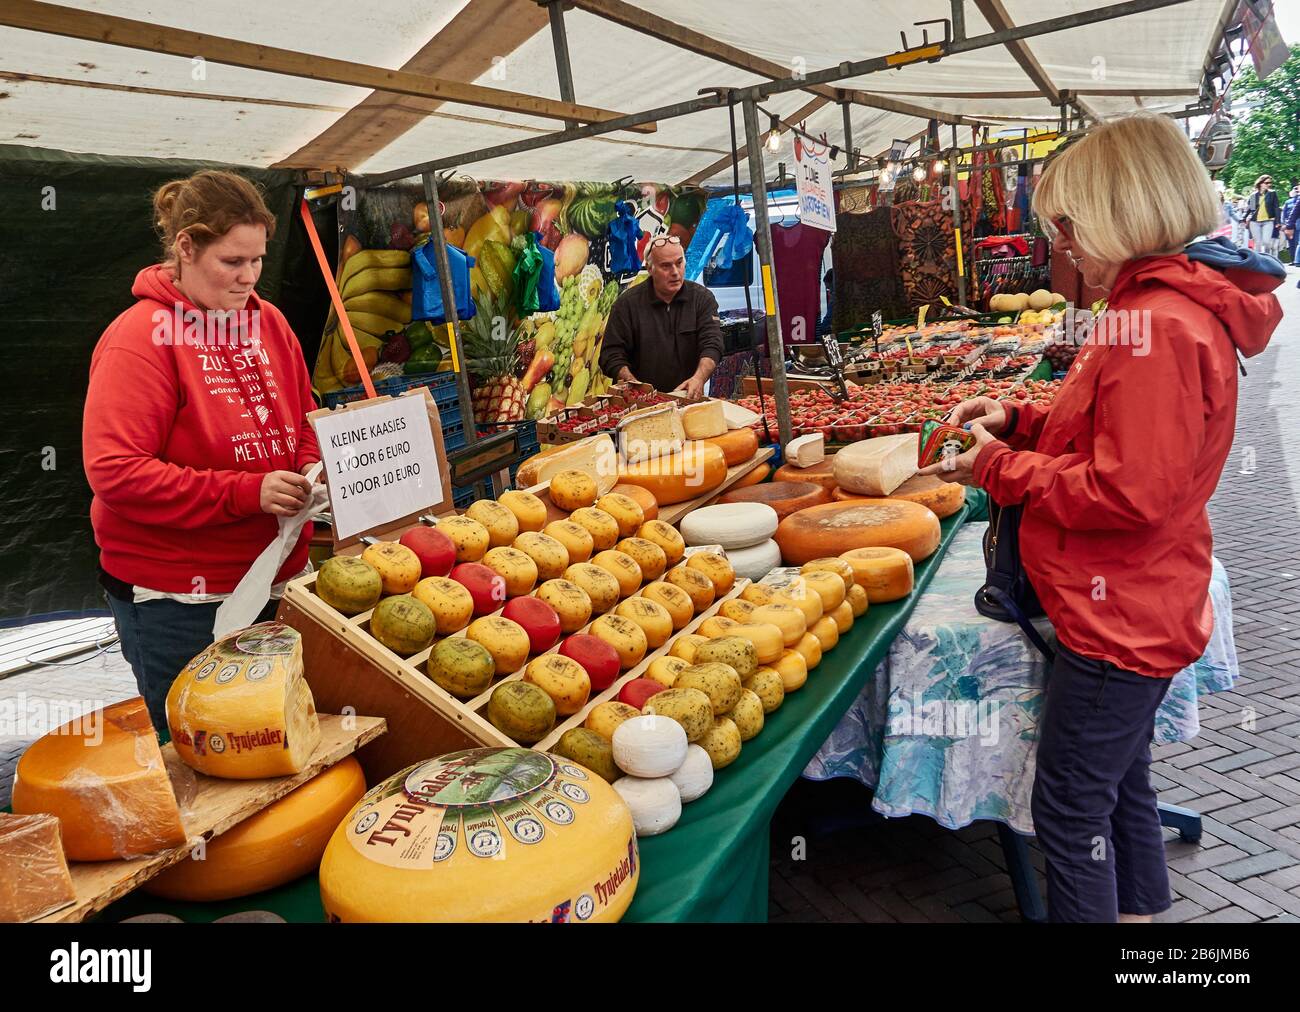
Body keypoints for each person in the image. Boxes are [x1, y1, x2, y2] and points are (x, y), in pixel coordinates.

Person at [919, 112, 1283, 923]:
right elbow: (1105, 434)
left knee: (1071, 811)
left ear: (1120, 210)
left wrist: (994, 467)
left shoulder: (1156, 321)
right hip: (1134, 602)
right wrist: (1017, 420)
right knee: (1122, 789)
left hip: (1118, 615)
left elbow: (1127, 493)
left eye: (1070, 225)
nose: (1064, 246)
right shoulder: (1153, 307)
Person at [84, 170, 321, 729]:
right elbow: (117, 473)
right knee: (199, 756)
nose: (248, 277)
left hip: (276, 581)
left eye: (258, 260)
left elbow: (302, 414)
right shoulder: (140, 337)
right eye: (232, 262)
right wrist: (248, 492)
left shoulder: (271, 324)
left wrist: (311, 461)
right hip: (177, 602)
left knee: (274, 739)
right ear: (186, 248)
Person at [599, 234, 724, 399]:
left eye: (679, 263)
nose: (675, 272)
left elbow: (713, 343)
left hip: (687, 397)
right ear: (650, 269)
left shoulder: (701, 299)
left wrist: (699, 378)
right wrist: (633, 385)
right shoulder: (627, 305)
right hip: (640, 404)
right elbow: (611, 354)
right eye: (666, 266)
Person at [1245, 174, 1279, 254]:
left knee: (1267, 242)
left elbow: (1276, 208)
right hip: (1254, 222)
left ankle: (1267, 257)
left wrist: (1278, 222)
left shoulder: (1272, 193)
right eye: (1267, 183)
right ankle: (1259, 263)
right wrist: (1244, 218)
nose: (1269, 184)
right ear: (1261, 183)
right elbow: (1251, 209)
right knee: (1258, 244)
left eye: (1270, 183)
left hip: (1268, 221)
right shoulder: (1253, 195)